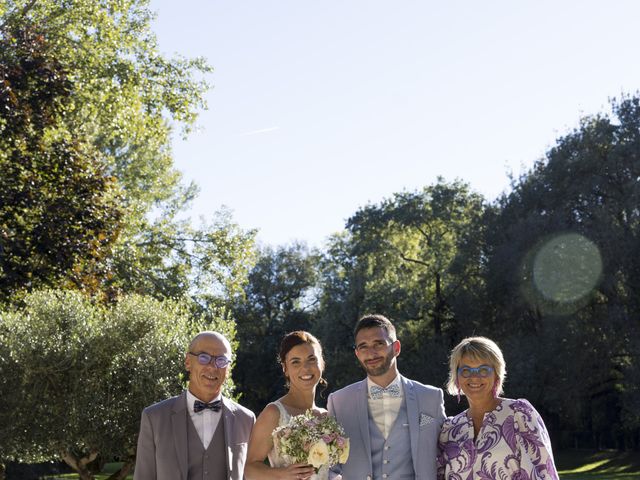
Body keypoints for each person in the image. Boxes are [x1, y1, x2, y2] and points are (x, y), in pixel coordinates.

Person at [328, 314, 446, 480]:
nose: (371, 353)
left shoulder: (430, 398)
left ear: (396, 348)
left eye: (379, 343)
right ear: (357, 354)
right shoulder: (339, 401)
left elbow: (447, 453)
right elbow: (330, 466)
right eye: (363, 346)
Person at [133, 331, 256, 480]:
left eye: (221, 360)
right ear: (188, 362)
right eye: (204, 358)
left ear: (228, 369)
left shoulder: (246, 420)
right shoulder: (154, 417)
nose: (212, 367)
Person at [437, 336, 559, 479]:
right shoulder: (450, 429)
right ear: (456, 377)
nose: (474, 377)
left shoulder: (519, 414)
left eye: (483, 370)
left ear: (496, 374)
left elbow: (544, 473)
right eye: (465, 370)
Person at [245, 331, 327, 480]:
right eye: (296, 362)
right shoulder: (274, 413)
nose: (306, 368)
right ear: (285, 368)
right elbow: (248, 469)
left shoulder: (326, 416)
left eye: (312, 359)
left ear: (321, 363)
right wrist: (283, 474)